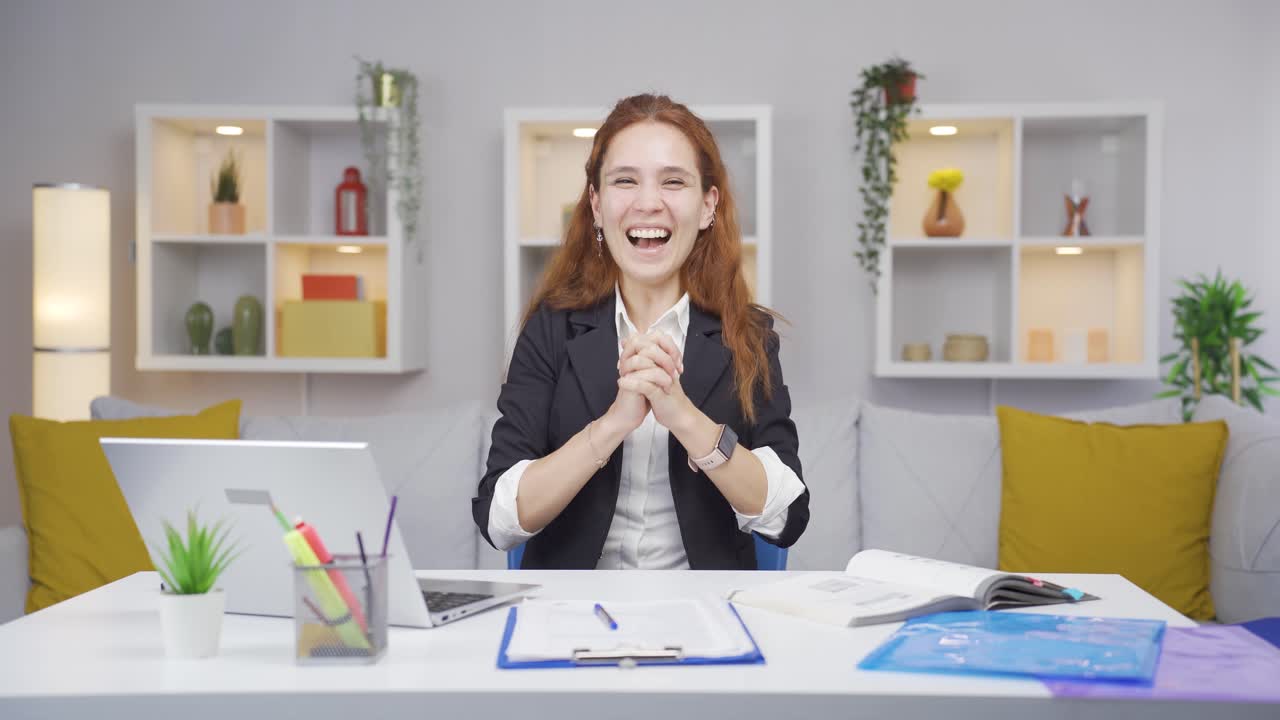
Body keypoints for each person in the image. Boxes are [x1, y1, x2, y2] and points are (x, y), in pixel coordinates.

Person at [472, 94, 808, 569]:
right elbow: (499, 520)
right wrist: (613, 424)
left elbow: (787, 516)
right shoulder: (551, 329)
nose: (648, 203)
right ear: (595, 203)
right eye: (624, 181)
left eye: (674, 182)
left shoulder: (746, 334)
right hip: (571, 617)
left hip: (706, 613)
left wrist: (687, 419)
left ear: (708, 205)